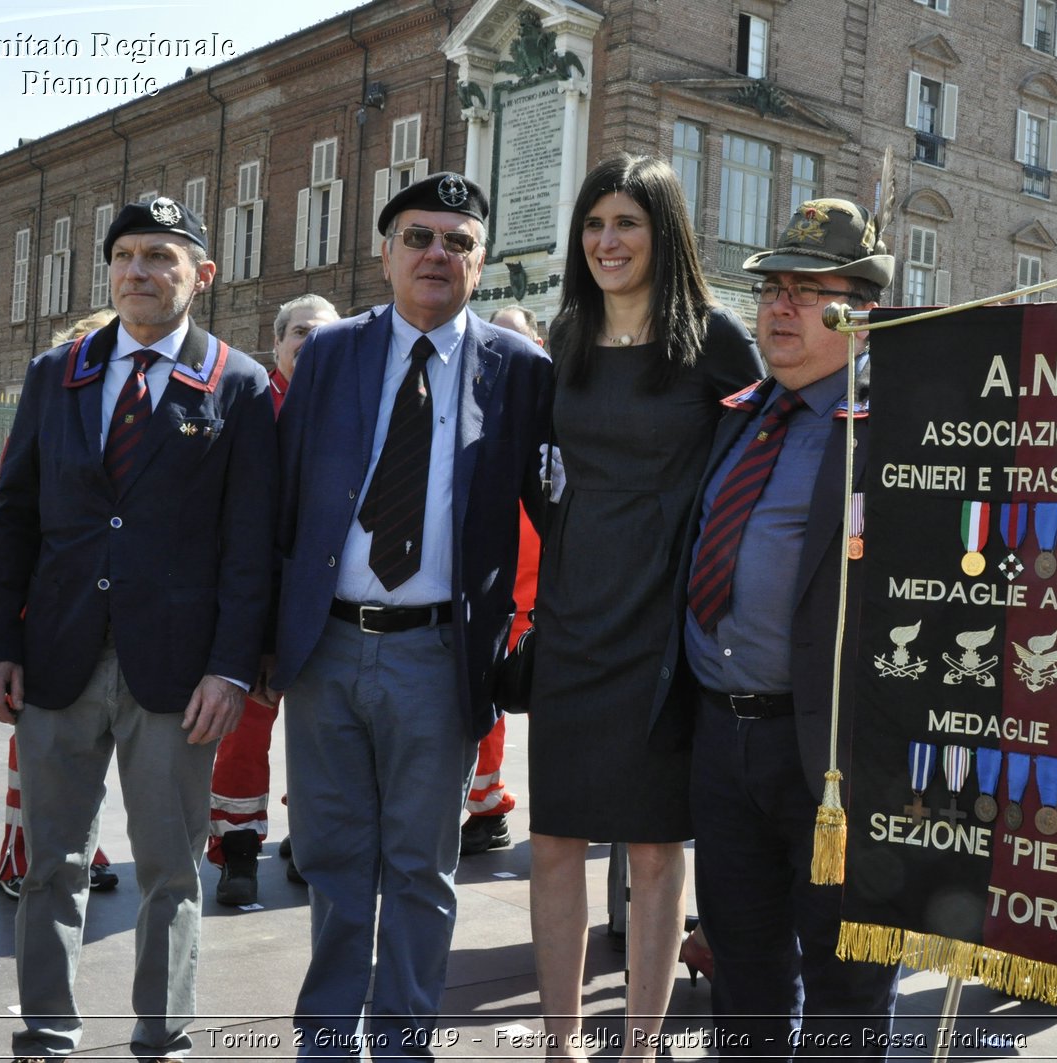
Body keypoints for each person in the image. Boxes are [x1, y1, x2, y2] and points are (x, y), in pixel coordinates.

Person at [0, 197, 276, 1062]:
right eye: (128, 256)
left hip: (178, 677)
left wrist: (229, 667)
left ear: (202, 276)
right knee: (51, 864)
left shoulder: (237, 382)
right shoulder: (56, 372)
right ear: (110, 272)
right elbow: (15, 519)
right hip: (57, 660)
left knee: (172, 871)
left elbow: (250, 545)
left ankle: (164, 1033)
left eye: (162, 257)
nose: (141, 272)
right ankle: (47, 1031)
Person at [269, 171, 551, 1058]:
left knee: (422, 868)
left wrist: (542, 638)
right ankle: (325, 1033)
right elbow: (280, 502)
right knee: (333, 857)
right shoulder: (332, 354)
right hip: (327, 649)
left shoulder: (521, 371)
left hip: (440, 654)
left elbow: (567, 516)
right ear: (385, 252)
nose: (438, 254)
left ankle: (401, 1038)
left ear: (481, 264)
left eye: (458, 242)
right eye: (419, 237)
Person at [527, 155, 762, 1059]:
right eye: (594, 223)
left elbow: (761, 461)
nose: (607, 241)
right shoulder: (566, 338)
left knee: (658, 848)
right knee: (554, 838)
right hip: (576, 617)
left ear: (664, 234)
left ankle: (640, 1045)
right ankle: (560, 1044)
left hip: (668, 624)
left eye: (626, 223)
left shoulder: (715, 341)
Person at [677, 197, 901, 1058]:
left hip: (836, 762)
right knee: (743, 978)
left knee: (846, 992)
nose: (777, 307)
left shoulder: (898, 431)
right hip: (723, 746)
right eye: (771, 288)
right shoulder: (740, 413)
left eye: (807, 291)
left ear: (861, 311)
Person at [207, 292, 339, 905]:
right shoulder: (250, 405)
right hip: (257, 605)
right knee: (242, 733)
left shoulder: (356, 408)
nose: (312, 346)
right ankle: (238, 851)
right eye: (301, 334)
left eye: (326, 336)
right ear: (278, 343)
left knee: (322, 738)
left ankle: (307, 842)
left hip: (327, 612)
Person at [0, 309, 122, 904]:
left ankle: (84, 847)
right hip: (49, 611)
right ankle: (20, 856)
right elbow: (14, 518)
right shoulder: (51, 405)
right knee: (37, 758)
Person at [458, 304, 545, 858]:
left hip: (538, 586)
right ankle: (485, 805)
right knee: (480, 698)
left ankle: (490, 808)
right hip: (489, 577)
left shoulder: (550, 398)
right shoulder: (472, 396)